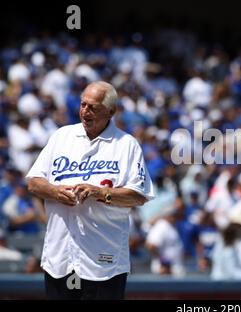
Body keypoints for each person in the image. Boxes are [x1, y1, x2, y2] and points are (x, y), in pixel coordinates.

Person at [26, 81, 154, 300]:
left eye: (93, 107)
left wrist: (98, 193)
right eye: (83, 104)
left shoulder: (126, 144)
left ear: (111, 111)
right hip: (61, 259)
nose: (85, 111)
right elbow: (34, 182)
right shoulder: (61, 136)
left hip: (104, 261)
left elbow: (138, 195)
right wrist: (55, 192)